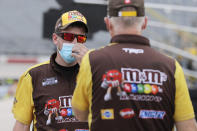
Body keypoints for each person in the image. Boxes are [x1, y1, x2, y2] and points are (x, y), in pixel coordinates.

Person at [71, 0, 197, 131]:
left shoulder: (92, 60)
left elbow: (80, 113)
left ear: (108, 23)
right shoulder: (171, 66)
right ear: (145, 23)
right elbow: (188, 127)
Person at [12, 10, 89, 131]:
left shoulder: (94, 72)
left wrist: (88, 69)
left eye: (80, 38)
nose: (74, 42)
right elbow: (22, 125)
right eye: (68, 37)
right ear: (55, 38)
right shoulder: (33, 76)